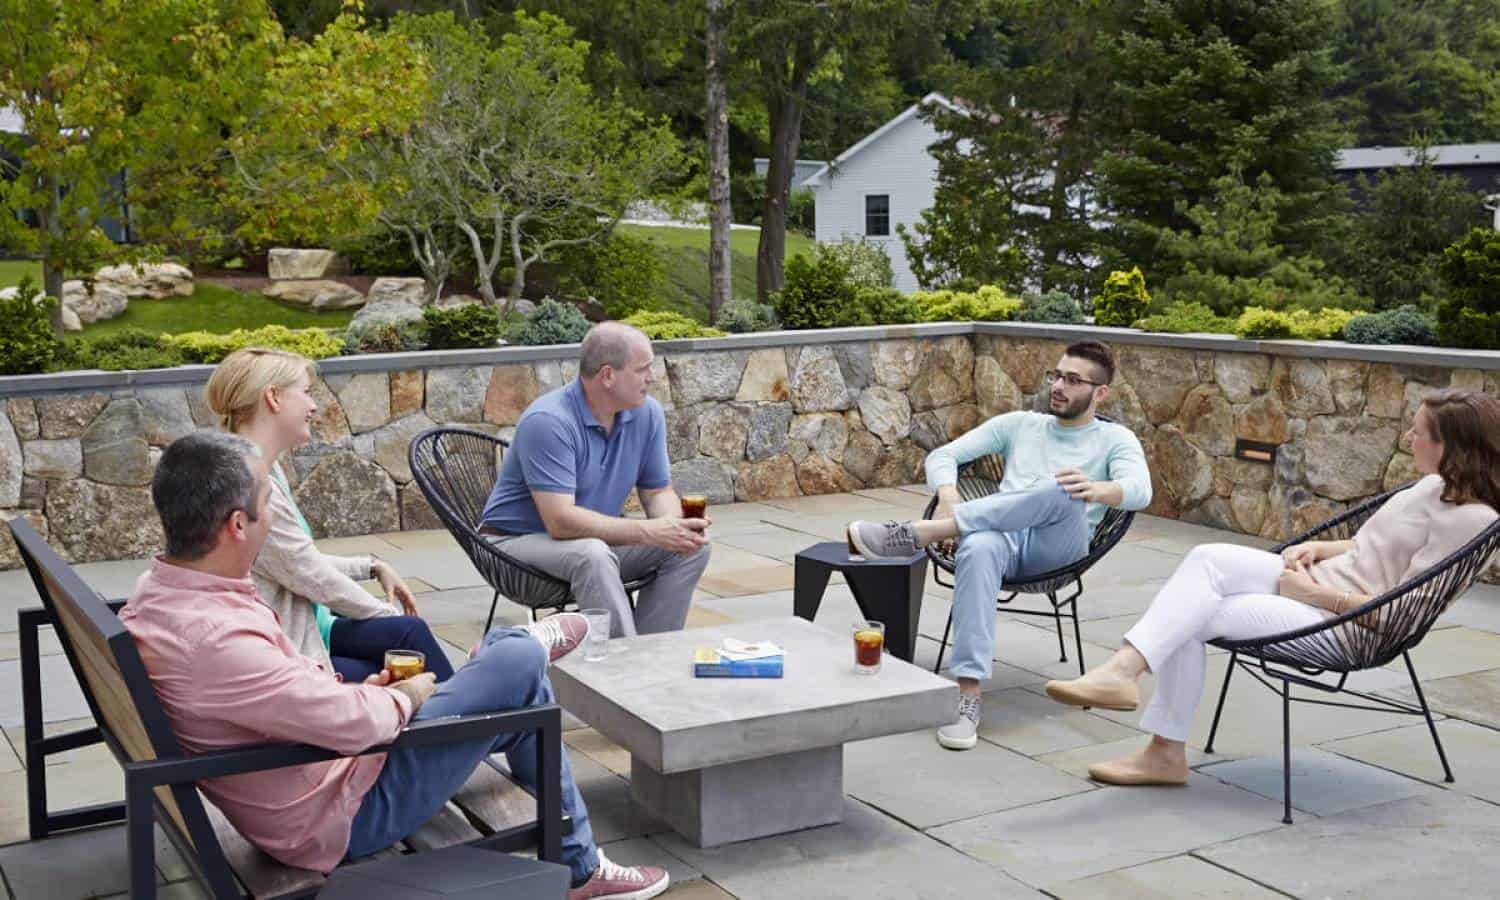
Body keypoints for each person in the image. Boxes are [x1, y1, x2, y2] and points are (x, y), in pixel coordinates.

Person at [121, 432, 669, 900]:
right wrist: (405, 695)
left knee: (522, 692)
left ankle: (579, 859)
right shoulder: (217, 639)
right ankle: (518, 652)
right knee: (519, 665)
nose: (276, 515)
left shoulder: (163, 594)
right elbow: (355, 724)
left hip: (315, 777)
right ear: (239, 525)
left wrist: (360, 692)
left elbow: (290, 701)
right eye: (271, 501)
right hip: (341, 814)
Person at [1043, 388, 1500, 787]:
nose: (1408, 438)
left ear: (1452, 448)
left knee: (1194, 614)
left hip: (1343, 624)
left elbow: (1405, 614)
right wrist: (1321, 548)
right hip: (1314, 586)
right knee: (1206, 560)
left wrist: (1316, 595)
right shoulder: (1433, 485)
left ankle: (1161, 748)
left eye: (1419, 432)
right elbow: (1371, 546)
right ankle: (1124, 675)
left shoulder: (1471, 520)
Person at [204, 348, 588, 681]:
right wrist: (382, 612)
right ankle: (481, 690)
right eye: (305, 392)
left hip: (314, 628)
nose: (314, 405)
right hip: (295, 647)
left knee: (410, 648)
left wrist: (371, 566)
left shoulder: (265, 469)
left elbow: (293, 561)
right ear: (273, 397)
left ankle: (480, 689)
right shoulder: (253, 484)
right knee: (408, 639)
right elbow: (310, 575)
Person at [845, 340, 1152, 750]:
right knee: (979, 546)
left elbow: (1140, 490)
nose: (1058, 386)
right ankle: (967, 696)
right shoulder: (1020, 425)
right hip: (1002, 541)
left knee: (1064, 487)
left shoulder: (1115, 439)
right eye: (1056, 376)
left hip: (1056, 550)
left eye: (1072, 380)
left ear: (1101, 392)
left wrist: (1095, 490)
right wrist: (950, 498)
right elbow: (943, 456)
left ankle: (918, 534)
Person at [479, 322, 711, 637]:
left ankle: (653, 654)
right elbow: (560, 522)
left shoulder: (646, 414)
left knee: (691, 548)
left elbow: (657, 491)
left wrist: (674, 527)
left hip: (590, 543)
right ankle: (621, 663)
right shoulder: (549, 421)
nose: (652, 376)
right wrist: (649, 531)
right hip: (512, 550)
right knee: (592, 555)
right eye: (642, 369)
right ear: (607, 375)